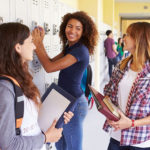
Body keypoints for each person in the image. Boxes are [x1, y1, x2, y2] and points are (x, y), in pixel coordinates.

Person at [0, 22, 73, 150]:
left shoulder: (22, 77)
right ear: (18, 47)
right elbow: (8, 145)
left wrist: (57, 117)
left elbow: (30, 120)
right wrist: (45, 138)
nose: (34, 47)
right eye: (30, 42)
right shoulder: (5, 89)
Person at [32, 11, 98, 150]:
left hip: (74, 105)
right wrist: (41, 43)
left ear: (84, 31)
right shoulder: (71, 47)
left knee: (73, 147)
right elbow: (50, 61)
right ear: (64, 27)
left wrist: (37, 44)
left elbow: (49, 68)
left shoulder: (80, 50)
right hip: (63, 102)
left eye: (78, 28)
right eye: (69, 26)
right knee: (60, 145)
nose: (72, 30)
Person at [103, 22, 150, 150]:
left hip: (140, 141)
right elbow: (108, 91)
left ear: (139, 39)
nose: (124, 38)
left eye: (128, 35)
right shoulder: (122, 65)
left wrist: (132, 123)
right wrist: (108, 111)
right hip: (116, 137)